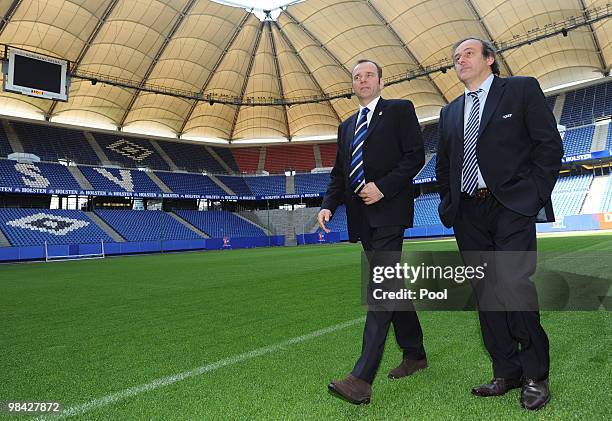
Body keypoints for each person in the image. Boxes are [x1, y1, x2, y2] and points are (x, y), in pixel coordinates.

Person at [436, 37, 563, 411]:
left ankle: (535, 375)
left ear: (490, 59)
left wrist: (534, 195)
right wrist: (450, 203)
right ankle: (505, 371)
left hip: (511, 206)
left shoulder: (521, 89)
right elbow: (445, 166)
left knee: (513, 284)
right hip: (468, 213)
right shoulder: (450, 112)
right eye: (455, 57)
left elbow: (548, 146)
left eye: (468, 53)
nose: (460, 60)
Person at [319, 59, 426, 404]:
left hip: (390, 210)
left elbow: (415, 156)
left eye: (369, 75)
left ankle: (361, 378)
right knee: (392, 285)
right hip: (361, 219)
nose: (363, 80)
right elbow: (339, 173)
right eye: (357, 77)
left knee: (381, 285)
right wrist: (327, 205)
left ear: (381, 81)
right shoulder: (346, 126)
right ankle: (415, 354)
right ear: (352, 84)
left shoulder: (399, 110)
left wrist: (383, 187)